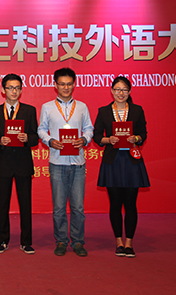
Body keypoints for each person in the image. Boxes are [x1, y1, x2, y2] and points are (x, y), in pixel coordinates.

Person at [38, 67, 93, 257]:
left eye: (69, 84)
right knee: (59, 206)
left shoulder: (82, 107)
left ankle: (78, 242)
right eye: (62, 84)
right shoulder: (47, 107)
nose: (66, 87)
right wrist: (50, 141)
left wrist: (84, 139)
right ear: (55, 85)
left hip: (78, 162)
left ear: (74, 85)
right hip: (57, 161)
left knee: (78, 206)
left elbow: (89, 128)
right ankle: (61, 240)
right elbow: (41, 129)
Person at [93, 76, 149, 258]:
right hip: (113, 161)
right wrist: (108, 140)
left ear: (129, 92)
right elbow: (96, 137)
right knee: (115, 203)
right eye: (117, 89)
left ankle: (129, 243)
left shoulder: (137, 110)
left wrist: (136, 138)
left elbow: (143, 134)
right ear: (112, 91)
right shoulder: (103, 111)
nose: (121, 93)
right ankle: (118, 242)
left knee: (131, 203)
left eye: (124, 90)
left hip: (131, 161)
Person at [0, 73, 39, 255]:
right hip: (4, 163)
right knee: (3, 204)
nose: (14, 91)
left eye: (17, 88)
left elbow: (35, 137)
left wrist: (27, 138)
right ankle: (2, 240)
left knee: (25, 204)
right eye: (10, 88)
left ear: (21, 90)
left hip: (23, 162)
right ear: (3, 90)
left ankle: (26, 241)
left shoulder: (29, 110)